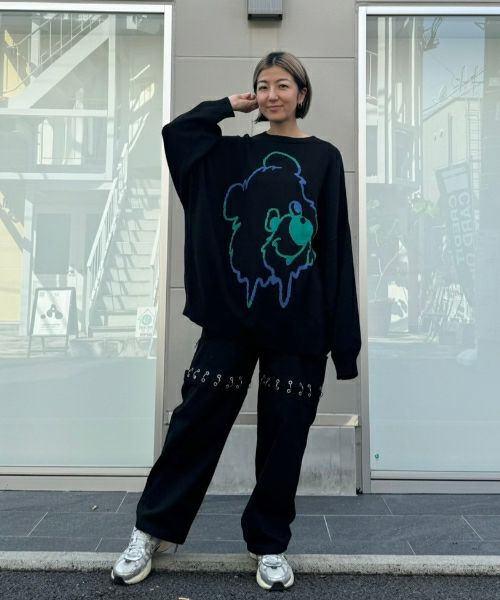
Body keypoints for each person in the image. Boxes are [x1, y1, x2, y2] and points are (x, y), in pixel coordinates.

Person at [111, 50, 361, 592]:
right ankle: (151, 531)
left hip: (299, 324)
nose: (272, 95)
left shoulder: (324, 157)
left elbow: (334, 246)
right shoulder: (233, 154)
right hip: (232, 319)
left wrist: (343, 341)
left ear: (302, 93)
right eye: (262, 86)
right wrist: (227, 106)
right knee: (194, 425)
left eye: (283, 85)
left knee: (284, 439)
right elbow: (178, 134)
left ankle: (268, 544)